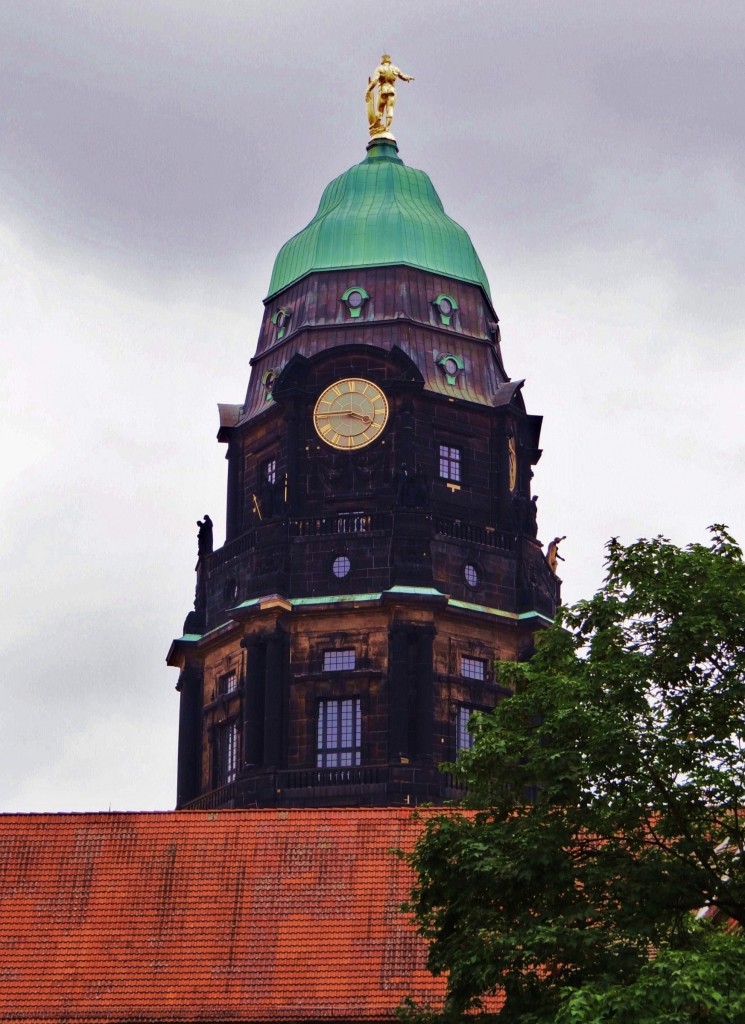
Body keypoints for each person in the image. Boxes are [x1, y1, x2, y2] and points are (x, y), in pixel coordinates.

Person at [366, 55, 414, 135]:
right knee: (390, 109)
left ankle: (378, 125)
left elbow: (375, 80)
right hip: (392, 91)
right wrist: (409, 78)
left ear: (382, 61)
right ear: (390, 61)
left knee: (380, 110)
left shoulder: (380, 69)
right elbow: (403, 76)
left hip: (383, 91)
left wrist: (368, 89)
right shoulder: (395, 69)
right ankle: (387, 128)